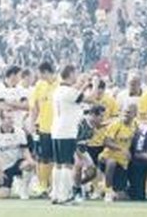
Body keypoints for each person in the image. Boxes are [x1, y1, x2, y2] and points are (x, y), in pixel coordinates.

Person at [49, 65, 87, 204]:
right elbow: (88, 98)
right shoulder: (68, 91)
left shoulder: (59, 90)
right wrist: (92, 83)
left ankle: (55, 194)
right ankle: (65, 196)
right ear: (71, 74)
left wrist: (82, 84)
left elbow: (77, 94)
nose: (77, 76)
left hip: (56, 130)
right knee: (67, 164)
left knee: (58, 164)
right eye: (75, 73)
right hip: (67, 130)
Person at [0, 113, 35, 199]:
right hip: (3, 167)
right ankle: (3, 186)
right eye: (8, 118)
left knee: (30, 164)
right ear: (2, 120)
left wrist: (30, 160)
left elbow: (25, 149)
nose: (11, 120)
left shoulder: (20, 132)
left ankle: (23, 189)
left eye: (12, 118)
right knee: (2, 195)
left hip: (17, 163)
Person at [29, 61, 58, 196]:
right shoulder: (39, 85)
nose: (39, 76)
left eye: (40, 73)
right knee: (43, 158)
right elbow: (34, 106)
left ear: (46, 72)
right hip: (44, 127)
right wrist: (32, 123)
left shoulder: (60, 83)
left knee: (57, 159)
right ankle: (43, 185)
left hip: (58, 128)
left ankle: (54, 186)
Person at [100, 103, 138, 202]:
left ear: (135, 114)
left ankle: (103, 187)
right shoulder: (116, 124)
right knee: (112, 162)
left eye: (129, 112)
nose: (126, 114)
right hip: (107, 158)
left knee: (121, 197)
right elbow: (106, 142)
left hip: (122, 163)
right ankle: (108, 191)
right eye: (125, 112)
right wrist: (122, 149)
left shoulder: (135, 125)